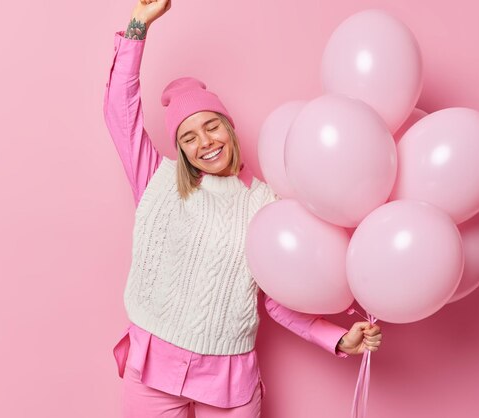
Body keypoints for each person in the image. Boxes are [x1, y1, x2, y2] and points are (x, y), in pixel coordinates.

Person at [103, 1, 383, 416]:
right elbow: (119, 114)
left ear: (229, 126)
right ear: (180, 149)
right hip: (152, 367)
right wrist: (138, 27)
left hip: (228, 382)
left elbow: (277, 299)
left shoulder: (266, 205)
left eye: (211, 125)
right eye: (189, 136)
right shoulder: (155, 180)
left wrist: (336, 338)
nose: (205, 143)